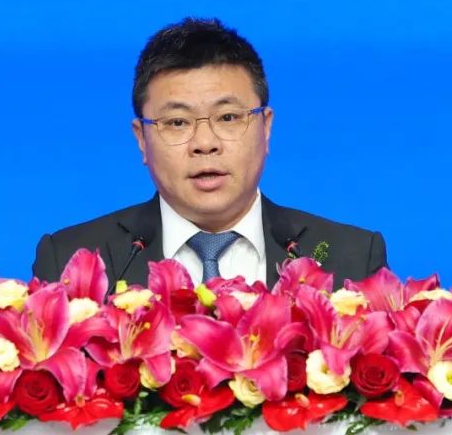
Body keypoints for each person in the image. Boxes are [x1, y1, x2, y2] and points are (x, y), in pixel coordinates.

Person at [32, 17, 387, 289]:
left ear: (266, 128)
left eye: (228, 117)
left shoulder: (351, 257)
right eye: (177, 122)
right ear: (141, 139)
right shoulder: (71, 261)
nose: (205, 143)